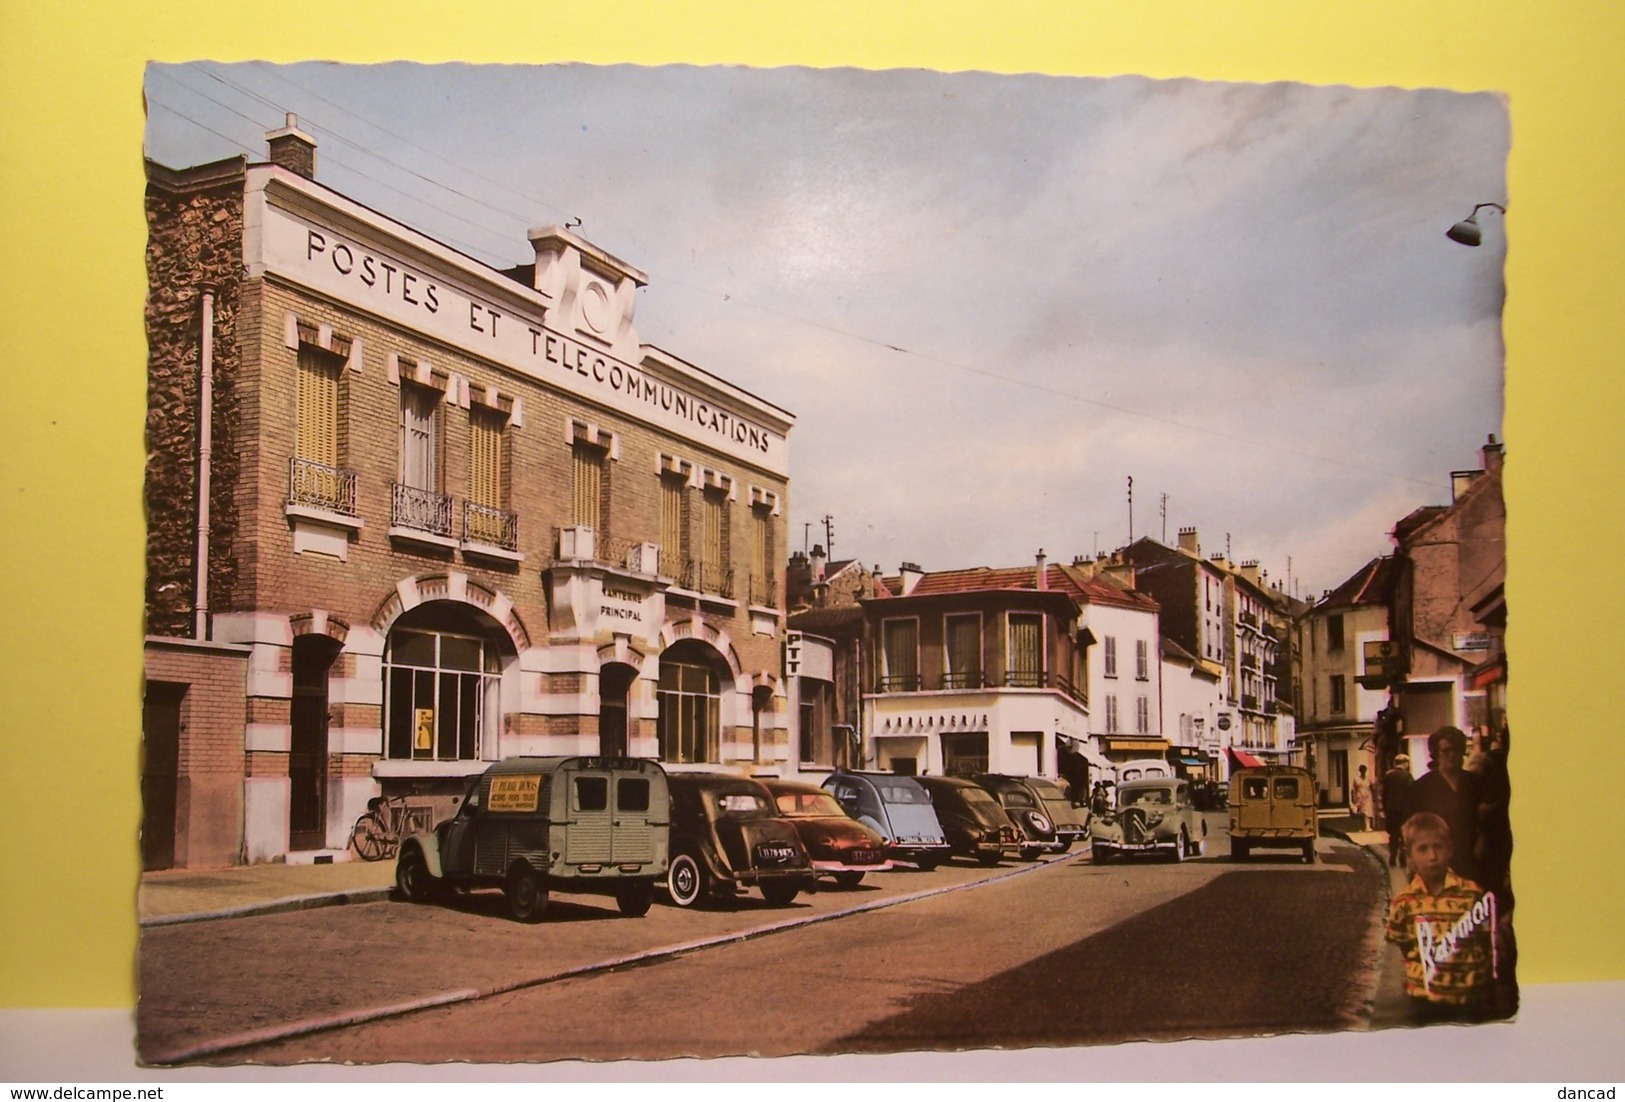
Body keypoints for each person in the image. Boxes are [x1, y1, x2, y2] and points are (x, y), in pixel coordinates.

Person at [1384, 812, 1496, 1021]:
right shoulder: (1404, 902)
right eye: (1423, 849)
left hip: (1468, 999)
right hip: (1424, 1000)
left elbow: (1485, 940)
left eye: (1438, 847)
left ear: (1450, 849)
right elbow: (1405, 944)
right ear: (1410, 855)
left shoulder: (1471, 894)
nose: (1432, 856)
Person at [1406, 726, 1483, 885]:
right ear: (1436, 754)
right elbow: (1411, 827)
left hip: (1471, 858)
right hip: (1436, 861)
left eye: (1455, 750)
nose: (1452, 755)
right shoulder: (1422, 787)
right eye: (1446, 751)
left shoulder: (1475, 783)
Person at [1382, 753, 1414, 867]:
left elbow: (1384, 794)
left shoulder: (1389, 776)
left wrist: (1385, 809)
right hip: (1404, 811)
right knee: (1404, 835)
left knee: (1393, 835)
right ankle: (1402, 858)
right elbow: (1411, 795)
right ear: (1405, 763)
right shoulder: (1407, 776)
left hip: (1391, 810)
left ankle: (1392, 856)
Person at [1349, 763, 1373, 831]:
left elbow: (1372, 788)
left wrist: (1373, 797)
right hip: (1359, 797)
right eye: (1362, 770)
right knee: (1360, 813)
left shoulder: (1368, 779)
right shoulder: (1356, 779)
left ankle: (1367, 827)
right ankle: (1361, 827)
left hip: (1367, 796)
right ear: (1360, 771)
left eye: (1364, 770)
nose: (1363, 771)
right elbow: (1353, 789)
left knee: (1367, 812)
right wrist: (1353, 799)